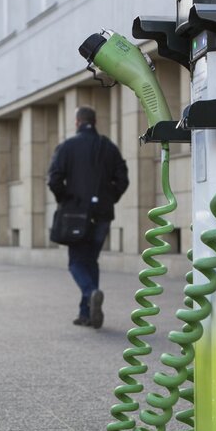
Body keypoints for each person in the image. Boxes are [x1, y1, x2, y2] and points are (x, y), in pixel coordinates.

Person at [48, 106, 129, 329]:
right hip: (102, 214)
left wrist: (65, 198)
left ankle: (90, 293)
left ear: (77, 122)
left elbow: (53, 179)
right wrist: (109, 198)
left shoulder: (67, 147)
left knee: (76, 262)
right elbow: (122, 179)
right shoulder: (108, 147)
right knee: (91, 260)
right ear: (95, 121)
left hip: (75, 214)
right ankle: (86, 313)